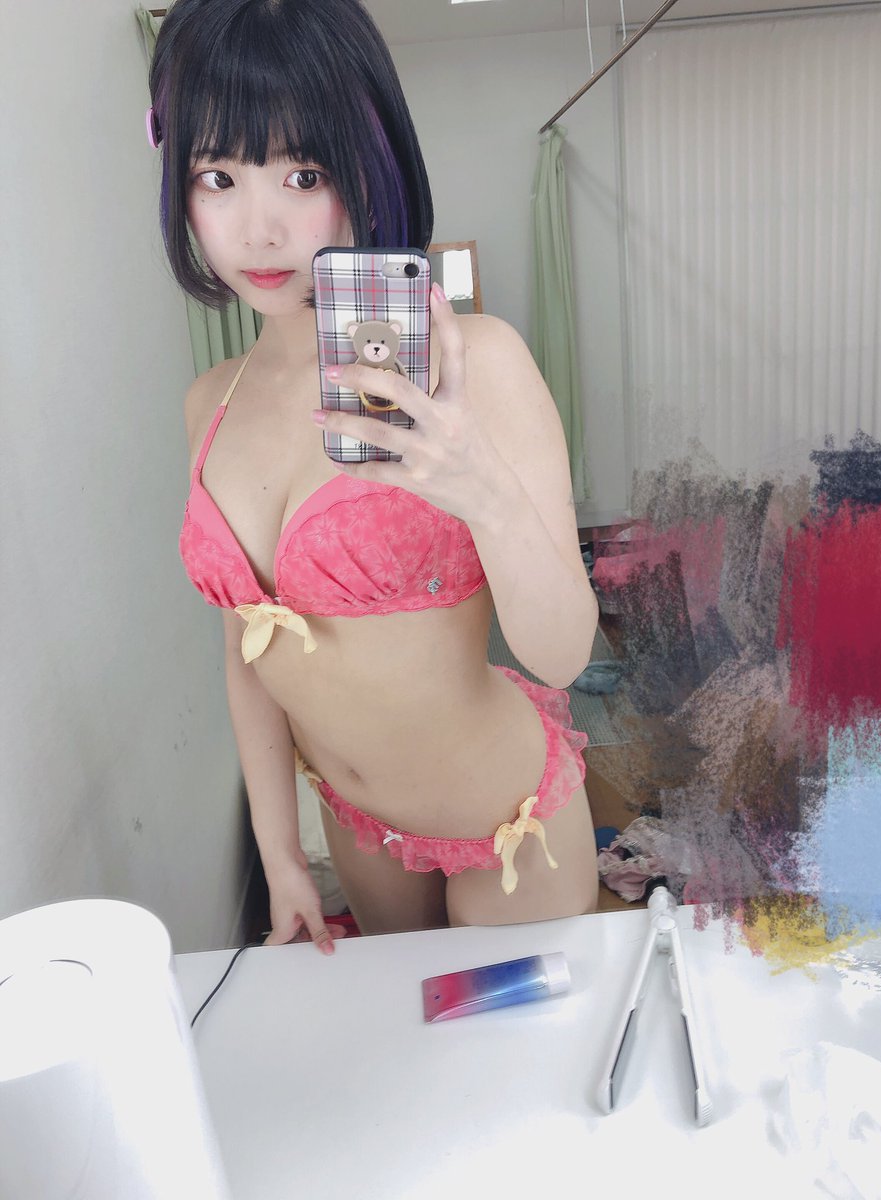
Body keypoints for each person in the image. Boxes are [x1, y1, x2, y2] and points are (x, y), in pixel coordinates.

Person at [149, 0, 600, 953]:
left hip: (506, 828)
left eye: (303, 175)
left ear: (368, 164)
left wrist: (478, 485)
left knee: (496, 1051)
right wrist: (280, 855)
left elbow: (563, 655)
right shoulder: (209, 402)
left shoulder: (478, 362)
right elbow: (247, 652)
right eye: (217, 177)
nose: (259, 230)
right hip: (358, 831)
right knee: (398, 1037)